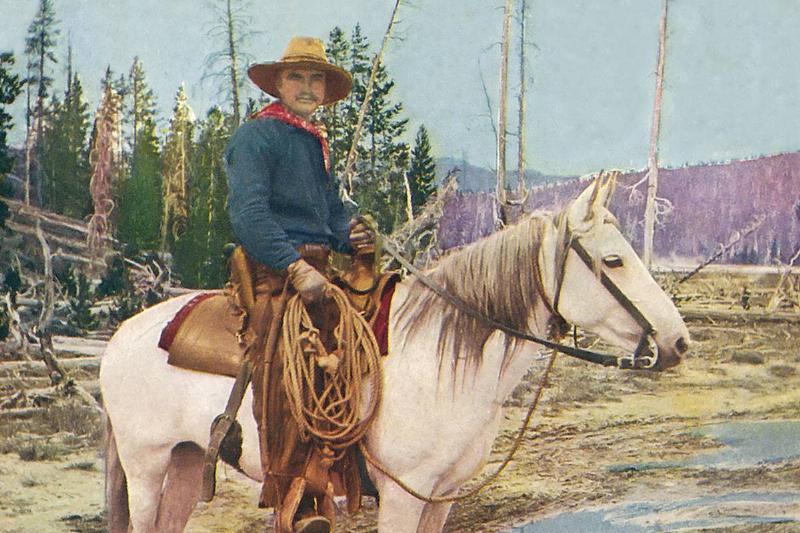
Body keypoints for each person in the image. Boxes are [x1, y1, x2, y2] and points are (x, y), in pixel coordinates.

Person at [225, 36, 372, 533]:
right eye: (297, 77)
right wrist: (293, 266)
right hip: (273, 271)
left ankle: (359, 459)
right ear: (279, 84)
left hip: (319, 271)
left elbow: (329, 217)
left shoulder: (311, 141)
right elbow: (248, 214)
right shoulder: (256, 137)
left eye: (316, 79)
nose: (307, 87)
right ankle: (295, 495)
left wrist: (352, 237)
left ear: (325, 90)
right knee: (288, 361)